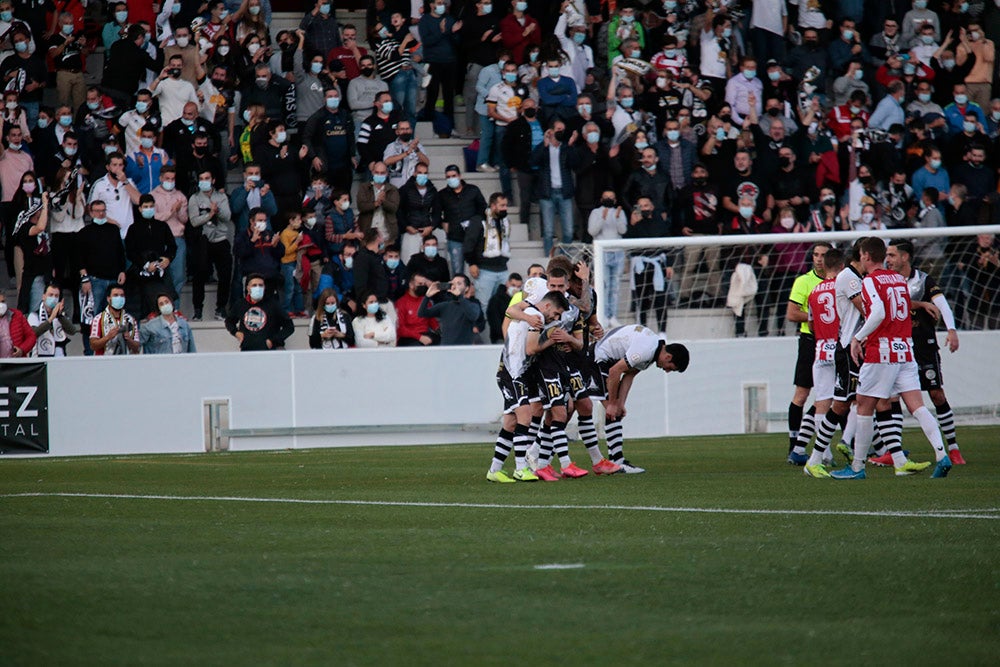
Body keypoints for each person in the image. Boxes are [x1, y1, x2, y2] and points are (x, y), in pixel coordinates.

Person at [831, 238, 952, 480]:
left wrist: (858, 337)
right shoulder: (897, 279)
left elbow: (877, 313)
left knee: (864, 405)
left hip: (882, 350)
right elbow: (904, 307)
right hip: (905, 349)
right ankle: (942, 454)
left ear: (865, 256)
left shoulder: (870, 281)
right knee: (917, 405)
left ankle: (856, 467)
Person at [885, 240, 966, 466]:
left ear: (905, 257)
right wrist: (919, 304)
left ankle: (953, 448)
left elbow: (942, 305)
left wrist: (951, 330)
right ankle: (895, 452)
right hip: (898, 347)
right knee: (892, 398)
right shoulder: (887, 280)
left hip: (923, 345)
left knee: (936, 394)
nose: (888, 260)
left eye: (891, 255)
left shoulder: (923, 280)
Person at [486, 288, 569, 483]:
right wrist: (551, 341)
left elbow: (513, 310)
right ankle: (521, 469)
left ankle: (494, 470)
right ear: (547, 305)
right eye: (556, 313)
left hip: (509, 371)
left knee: (510, 422)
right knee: (526, 416)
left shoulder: (529, 311)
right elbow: (531, 349)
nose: (555, 317)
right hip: (513, 373)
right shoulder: (537, 316)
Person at [801, 250, 846, 478]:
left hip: (821, 349)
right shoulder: (842, 289)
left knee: (821, 401)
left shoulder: (813, 292)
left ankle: (824, 454)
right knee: (855, 399)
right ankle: (846, 443)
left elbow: (809, 323)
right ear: (841, 266)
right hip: (840, 349)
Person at [785, 243, 831, 466]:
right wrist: (815, 319)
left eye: (823, 255)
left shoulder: (839, 281)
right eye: (816, 255)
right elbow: (792, 313)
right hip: (810, 342)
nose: (819, 259)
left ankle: (850, 443)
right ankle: (794, 445)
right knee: (802, 395)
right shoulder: (803, 281)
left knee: (836, 395)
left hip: (834, 342)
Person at [529, 118, 580, 256]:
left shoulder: (566, 147)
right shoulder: (544, 147)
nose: (561, 133)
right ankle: (549, 260)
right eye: (558, 130)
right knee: (548, 231)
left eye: (563, 130)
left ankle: (564, 259)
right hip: (547, 192)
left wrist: (570, 145)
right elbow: (533, 161)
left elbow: (575, 164)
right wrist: (544, 144)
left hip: (564, 192)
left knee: (569, 230)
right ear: (550, 131)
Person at [188, 170, 233, 321]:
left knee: (225, 274)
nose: (204, 181)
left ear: (213, 180)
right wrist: (209, 214)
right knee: (199, 275)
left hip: (220, 239)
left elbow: (227, 217)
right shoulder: (194, 198)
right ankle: (198, 310)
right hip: (203, 240)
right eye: (201, 178)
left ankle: (220, 308)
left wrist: (216, 211)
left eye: (207, 178)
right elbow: (194, 221)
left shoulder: (221, 197)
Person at [125, 195, 177, 318]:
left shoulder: (162, 226)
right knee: (143, 304)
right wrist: (145, 265)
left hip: (161, 271)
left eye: (151, 206)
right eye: (145, 207)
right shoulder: (133, 228)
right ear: (140, 209)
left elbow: (172, 246)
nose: (149, 209)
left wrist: (167, 258)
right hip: (141, 271)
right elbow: (130, 251)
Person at [463, 192, 511, 321]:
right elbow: (468, 244)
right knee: (483, 306)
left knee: (505, 306)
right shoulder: (479, 221)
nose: (505, 208)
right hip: (484, 271)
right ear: (493, 206)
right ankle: (483, 340)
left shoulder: (504, 222)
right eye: (502, 205)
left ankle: (500, 338)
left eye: (506, 205)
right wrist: (471, 263)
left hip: (503, 270)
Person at [438, 164, 486, 276]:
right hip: (455, 237)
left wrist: (476, 223)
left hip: (474, 237)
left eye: (453, 175)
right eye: (448, 177)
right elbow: (436, 213)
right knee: (457, 272)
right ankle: (458, 294)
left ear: (459, 176)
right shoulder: (442, 194)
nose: (451, 179)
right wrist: (442, 224)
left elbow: (483, 209)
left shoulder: (473, 190)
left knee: (479, 270)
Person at [225, 273, 294, 351]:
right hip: (247, 349)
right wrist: (236, 333)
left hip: (269, 351)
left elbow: (289, 327)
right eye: (254, 285)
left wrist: (272, 341)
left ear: (264, 287)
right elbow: (229, 321)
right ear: (248, 288)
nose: (258, 288)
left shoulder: (274, 304)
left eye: (260, 285)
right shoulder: (240, 304)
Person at [418, 275, 481, 346]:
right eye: (453, 283)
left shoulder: (473, 305)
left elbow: (473, 316)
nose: (455, 286)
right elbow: (421, 313)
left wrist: (460, 297)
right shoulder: (445, 306)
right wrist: (427, 296)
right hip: (446, 349)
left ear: (466, 288)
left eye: (459, 283)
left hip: (464, 350)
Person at [26, 283, 76, 357]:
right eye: (50, 295)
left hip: (59, 356)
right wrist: (51, 319)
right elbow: (33, 333)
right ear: (43, 297)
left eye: (56, 296)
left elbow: (72, 331)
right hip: (40, 357)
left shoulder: (61, 316)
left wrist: (59, 316)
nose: (53, 298)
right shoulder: (34, 315)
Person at [89, 284, 140, 356]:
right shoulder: (98, 319)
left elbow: (137, 348)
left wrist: (129, 339)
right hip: (104, 362)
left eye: (122, 296)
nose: (119, 298)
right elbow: (93, 345)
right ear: (108, 299)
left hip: (125, 362)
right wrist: (108, 337)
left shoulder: (131, 319)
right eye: (115, 295)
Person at [487, 273, 522, 344]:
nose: (516, 289)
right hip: (500, 338)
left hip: (518, 337)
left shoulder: (522, 300)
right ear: (507, 283)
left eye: (518, 287)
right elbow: (494, 321)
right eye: (513, 285)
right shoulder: (496, 300)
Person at [0, 291, 35, 358]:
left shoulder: (17, 315)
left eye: (3, 301)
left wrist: (22, 349)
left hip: (17, 364)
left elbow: (31, 336)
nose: (1, 305)